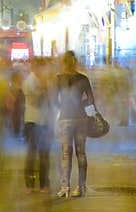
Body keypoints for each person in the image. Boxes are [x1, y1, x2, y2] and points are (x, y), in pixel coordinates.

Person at [53, 50, 96, 198]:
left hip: (65, 118)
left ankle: (65, 187)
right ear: (75, 62)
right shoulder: (83, 78)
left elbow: (54, 101)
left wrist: (63, 106)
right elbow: (91, 100)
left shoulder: (58, 79)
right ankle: (81, 187)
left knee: (66, 153)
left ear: (63, 62)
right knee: (81, 153)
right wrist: (81, 105)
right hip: (81, 119)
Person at [22, 57, 53, 192]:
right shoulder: (29, 81)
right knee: (32, 153)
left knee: (44, 153)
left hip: (45, 121)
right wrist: (44, 88)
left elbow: (53, 99)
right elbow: (36, 99)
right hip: (32, 121)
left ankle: (44, 183)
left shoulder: (48, 82)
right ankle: (29, 184)